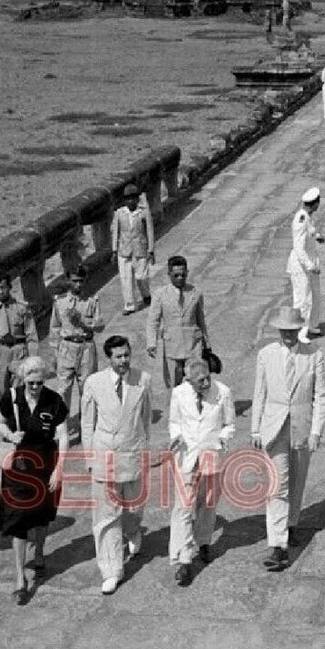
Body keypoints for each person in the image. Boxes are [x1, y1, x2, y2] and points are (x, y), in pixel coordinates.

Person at [250, 307, 325, 571]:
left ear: (299, 330)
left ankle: (291, 523)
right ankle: (278, 547)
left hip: (301, 428)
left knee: (297, 480)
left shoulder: (314, 354)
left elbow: (321, 396)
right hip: (274, 427)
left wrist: (316, 431)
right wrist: (255, 430)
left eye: (292, 330)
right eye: (283, 330)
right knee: (277, 486)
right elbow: (259, 393)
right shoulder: (266, 355)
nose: (288, 335)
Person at [80, 334, 154, 595]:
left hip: (132, 453)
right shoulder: (93, 383)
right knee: (106, 518)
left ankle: (133, 531)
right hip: (104, 456)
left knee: (133, 506)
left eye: (126, 355)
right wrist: (89, 458)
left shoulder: (142, 380)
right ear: (108, 358)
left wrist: (144, 451)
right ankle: (111, 570)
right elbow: (87, 424)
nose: (123, 361)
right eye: (118, 356)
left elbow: (146, 420)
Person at [0, 356, 69, 606]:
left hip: (45, 463)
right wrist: (10, 435)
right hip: (18, 466)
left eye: (39, 382)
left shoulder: (54, 400)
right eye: (31, 382)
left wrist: (59, 468)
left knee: (43, 513)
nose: (35, 387)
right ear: (23, 379)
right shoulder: (12, 397)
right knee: (18, 519)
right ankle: (19, 578)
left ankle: (39, 552)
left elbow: (63, 435)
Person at [166, 358, 236, 586]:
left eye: (208, 377)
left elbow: (229, 424)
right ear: (188, 380)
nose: (206, 382)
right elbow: (174, 421)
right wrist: (176, 437)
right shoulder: (179, 393)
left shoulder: (223, 392)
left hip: (210, 455)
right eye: (200, 380)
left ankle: (204, 540)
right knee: (183, 507)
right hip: (186, 457)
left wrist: (222, 440)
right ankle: (184, 561)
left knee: (207, 502)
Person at [144, 255, 210, 392]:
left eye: (183, 275)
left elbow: (201, 320)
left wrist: (206, 344)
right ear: (169, 274)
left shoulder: (195, 293)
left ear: (187, 273)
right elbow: (153, 320)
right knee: (174, 384)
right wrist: (151, 343)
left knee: (196, 381)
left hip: (193, 345)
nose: (180, 278)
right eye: (176, 275)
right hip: (172, 345)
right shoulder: (160, 294)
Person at [50, 265, 100, 433]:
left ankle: (85, 428)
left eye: (81, 281)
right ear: (68, 281)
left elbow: (100, 325)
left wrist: (83, 322)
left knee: (87, 389)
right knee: (63, 390)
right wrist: (55, 353)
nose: (78, 285)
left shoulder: (91, 301)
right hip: (66, 347)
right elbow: (55, 328)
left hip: (86, 346)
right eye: (74, 281)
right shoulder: (60, 302)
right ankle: (62, 430)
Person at [0, 273, 38, 405]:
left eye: (3, 287)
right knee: (1, 393)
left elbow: (31, 335)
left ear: (10, 287)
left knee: (20, 391)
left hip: (18, 351)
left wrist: (33, 360)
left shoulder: (21, 307)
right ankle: (5, 423)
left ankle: (20, 423)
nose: (1, 291)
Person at [286, 187, 325, 343]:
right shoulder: (301, 220)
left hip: (310, 261)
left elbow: (311, 232)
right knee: (303, 299)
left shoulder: (308, 217)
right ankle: (300, 332)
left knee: (315, 296)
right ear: (315, 203)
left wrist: (318, 237)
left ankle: (310, 325)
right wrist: (310, 266)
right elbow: (298, 247)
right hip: (301, 265)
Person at [111, 185, 154, 315]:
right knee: (126, 279)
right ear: (124, 200)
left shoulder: (144, 212)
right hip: (124, 250)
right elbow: (115, 232)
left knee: (141, 276)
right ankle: (130, 305)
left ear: (137, 199)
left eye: (133, 198)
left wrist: (151, 250)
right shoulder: (119, 213)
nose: (131, 201)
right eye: (128, 199)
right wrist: (114, 250)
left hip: (140, 248)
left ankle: (146, 294)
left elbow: (150, 231)